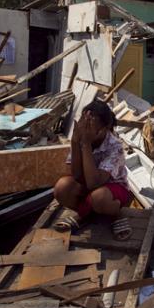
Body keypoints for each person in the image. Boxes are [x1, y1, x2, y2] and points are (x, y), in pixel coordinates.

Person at [53, 100, 131, 238]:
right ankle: (88, 214)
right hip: (90, 186)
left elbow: (93, 183)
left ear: (105, 128)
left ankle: (115, 216)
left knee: (99, 198)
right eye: (85, 124)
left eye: (91, 126)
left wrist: (86, 145)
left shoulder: (115, 147)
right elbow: (77, 175)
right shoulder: (82, 138)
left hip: (113, 189)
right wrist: (75, 142)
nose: (87, 130)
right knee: (62, 188)